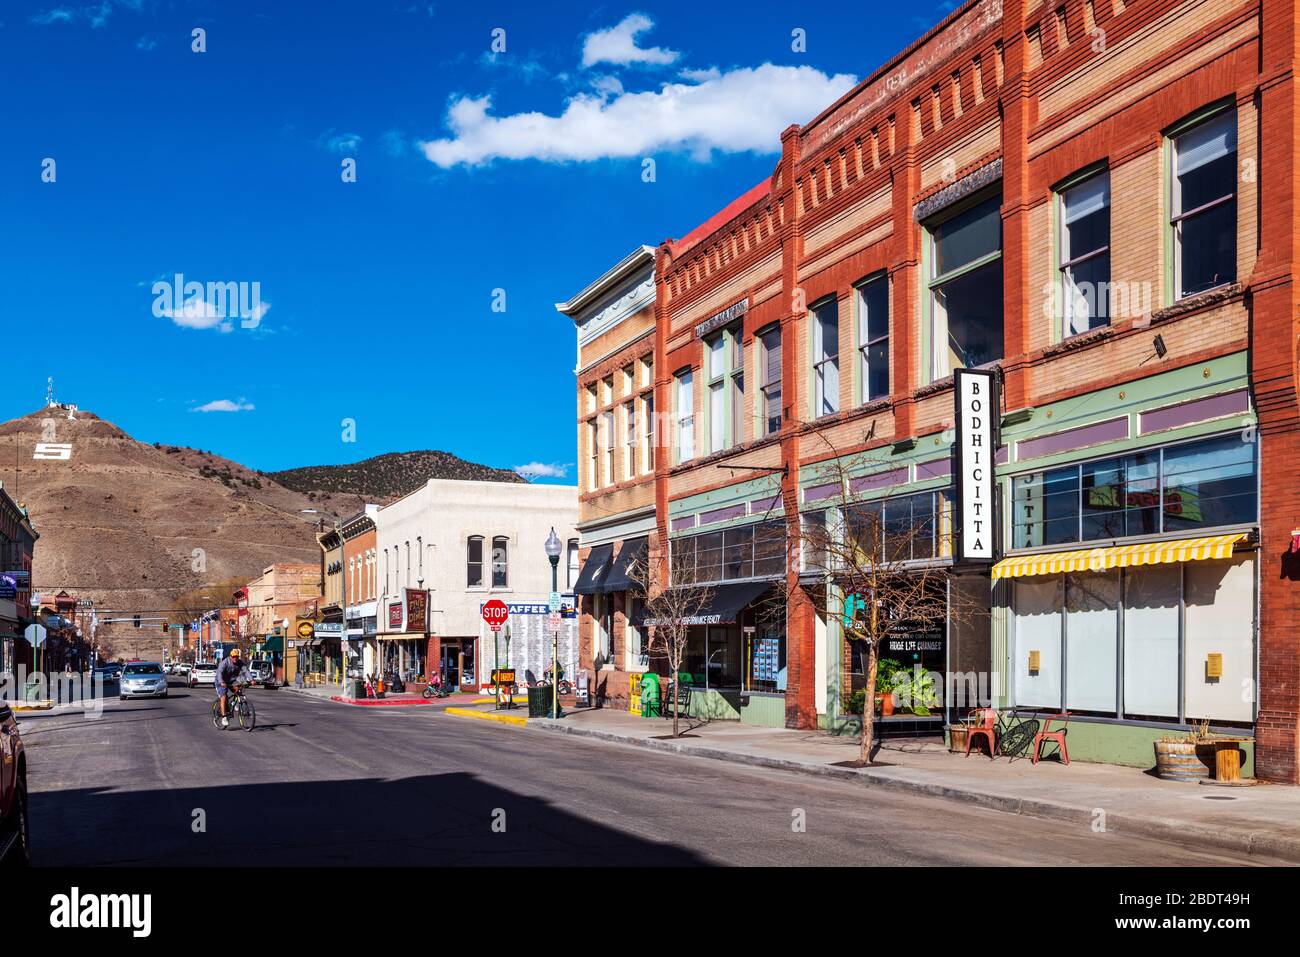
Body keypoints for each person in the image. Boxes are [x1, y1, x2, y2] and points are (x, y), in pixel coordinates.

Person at [215, 647, 251, 729]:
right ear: (230, 656)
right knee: (223, 698)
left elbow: (246, 671)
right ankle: (224, 717)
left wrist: (251, 680)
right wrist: (221, 682)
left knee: (238, 689)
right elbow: (219, 672)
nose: (235, 658)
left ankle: (233, 703)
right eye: (233, 657)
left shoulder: (240, 663)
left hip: (231, 681)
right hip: (221, 681)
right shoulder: (225, 662)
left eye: (237, 657)